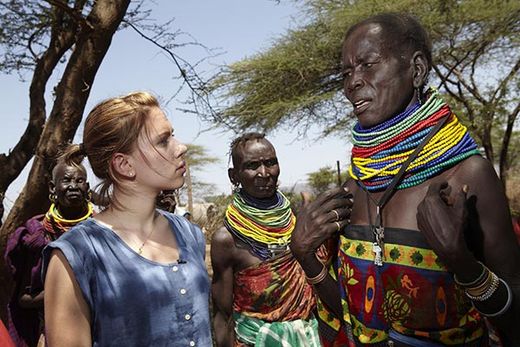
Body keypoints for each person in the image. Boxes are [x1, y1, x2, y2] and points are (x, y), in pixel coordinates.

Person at [290, 13, 520, 346]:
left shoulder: (467, 176)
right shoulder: (356, 186)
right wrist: (305, 254)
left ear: (416, 70)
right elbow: (353, 317)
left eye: (367, 65)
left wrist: (464, 266)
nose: (351, 82)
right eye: (346, 71)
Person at [42, 92, 212, 346]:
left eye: (172, 135)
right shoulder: (76, 255)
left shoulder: (190, 234)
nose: (181, 147)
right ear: (124, 165)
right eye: (164, 141)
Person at [211, 132, 320, 346]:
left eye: (270, 163)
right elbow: (223, 316)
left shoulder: (298, 220)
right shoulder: (227, 239)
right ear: (234, 176)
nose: (264, 173)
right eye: (252, 166)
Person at [4, 157, 93, 347]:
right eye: (66, 180)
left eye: (79, 181)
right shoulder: (37, 237)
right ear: (53, 188)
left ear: (87, 187)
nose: (73, 186)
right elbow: (24, 299)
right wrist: (68, 291)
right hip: (55, 335)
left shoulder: (103, 231)